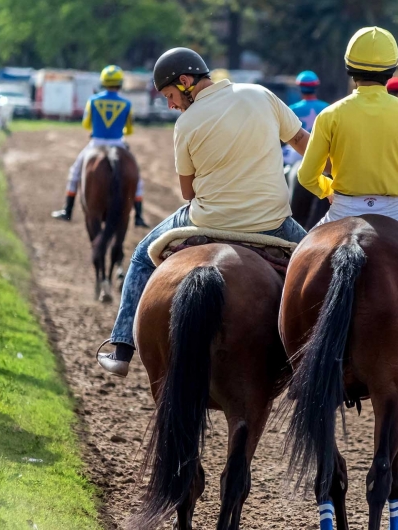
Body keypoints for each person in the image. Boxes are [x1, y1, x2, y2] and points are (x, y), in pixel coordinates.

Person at [98, 47, 310, 377]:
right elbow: (301, 142)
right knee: (318, 268)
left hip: (206, 221)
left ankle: (122, 347)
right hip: (273, 223)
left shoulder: (186, 123)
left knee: (141, 257)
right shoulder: (261, 95)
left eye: (170, 95)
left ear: (185, 81)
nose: (170, 104)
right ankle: (319, 363)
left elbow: (187, 192)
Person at [296, 26, 398, 403]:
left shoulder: (330, 114)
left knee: (293, 273)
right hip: (394, 213)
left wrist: (330, 190)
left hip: (340, 209)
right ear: (391, 72)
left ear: (349, 69)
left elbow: (307, 176)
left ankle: (288, 368)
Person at [51, 65, 148, 226]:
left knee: (75, 172)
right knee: (136, 178)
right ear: (120, 82)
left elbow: (86, 124)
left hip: (95, 143)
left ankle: (67, 209)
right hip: (118, 143)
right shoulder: (126, 103)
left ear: (103, 81)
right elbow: (129, 130)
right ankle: (138, 215)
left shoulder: (93, 101)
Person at [283, 71, 329, 166]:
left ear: (299, 87)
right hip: (321, 153)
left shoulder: (292, 109)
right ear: (315, 87)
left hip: (296, 151)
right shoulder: (327, 107)